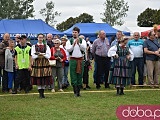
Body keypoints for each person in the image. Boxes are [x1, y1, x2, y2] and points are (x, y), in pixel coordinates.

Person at [66, 27, 86, 97]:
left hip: (80, 59)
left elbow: (84, 48)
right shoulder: (69, 41)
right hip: (73, 60)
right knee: (73, 75)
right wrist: (73, 45)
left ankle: (79, 92)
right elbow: (68, 49)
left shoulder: (82, 40)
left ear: (78, 33)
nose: (74, 33)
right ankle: (75, 91)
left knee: (80, 75)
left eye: (75, 32)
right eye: (73, 32)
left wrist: (79, 44)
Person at [31, 33, 53, 98]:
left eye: (41, 37)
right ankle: (40, 93)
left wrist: (42, 54)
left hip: (44, 64)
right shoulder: (34, 46)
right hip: (37, 64)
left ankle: (42, 93)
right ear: (37, 38)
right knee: (38, 78)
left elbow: (49, 55)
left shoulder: (46, 46)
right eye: (39, 37)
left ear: (43, 38)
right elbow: (33, 55)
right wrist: (39, 55)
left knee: (44, 78)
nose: (40, 39)